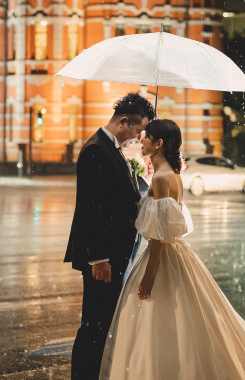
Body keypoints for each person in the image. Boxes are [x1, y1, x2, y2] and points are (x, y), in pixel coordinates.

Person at [99, 119, 245, 380]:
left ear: (159, 143)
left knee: (157, 324)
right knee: (187, 321)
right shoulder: (171, 175)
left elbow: (161, 236)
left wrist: (149, 277)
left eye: (147, 136)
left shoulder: (163, 179)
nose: (141, 139)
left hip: (161, 258)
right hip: (178, 254)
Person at [64, 92, 155, 380]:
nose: (139, 138)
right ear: (124, 122)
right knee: (94, 323)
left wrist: (146, 180)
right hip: (103, 258)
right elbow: (92, 208)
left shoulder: (111, 149)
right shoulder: (97, 150)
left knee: (102, 321)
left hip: (113, 254)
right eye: (138, 131)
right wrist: (99, 258)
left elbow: (120, 198)